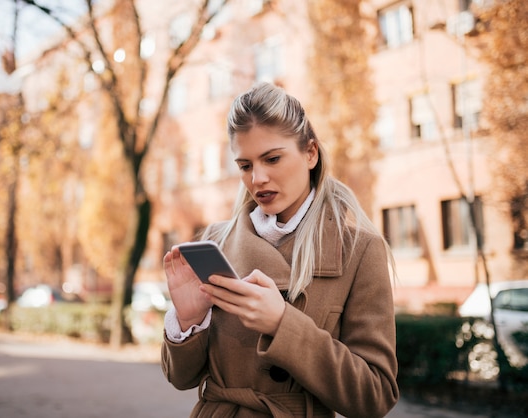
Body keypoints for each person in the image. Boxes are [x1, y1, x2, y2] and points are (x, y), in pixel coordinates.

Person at [161, 82, 399, 418]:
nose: (258, 178)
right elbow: (180, 378)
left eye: (272, 158)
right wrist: (189, 321)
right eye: (245, 166)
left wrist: (282, 324)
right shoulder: (215, 242)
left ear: (310, 153)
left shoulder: (360, 251)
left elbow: (374, 396)